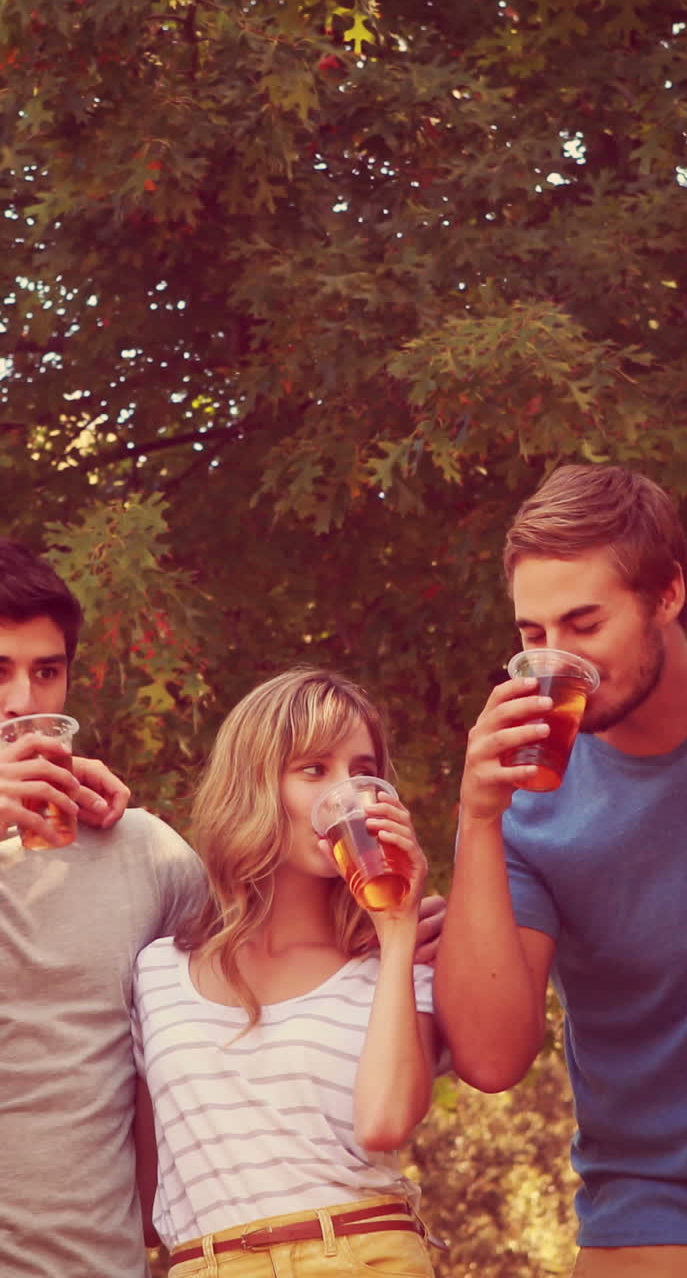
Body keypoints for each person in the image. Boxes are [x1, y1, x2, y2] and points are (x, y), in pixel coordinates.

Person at [434, 464, 687, 1278]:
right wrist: (478, 821)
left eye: (585, 624)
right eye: (533, 635)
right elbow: (491, 1061)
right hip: (648, 1211)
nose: (557, 660)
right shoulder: (523, 805)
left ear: (667, 595)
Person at [132, 666, 442, 1278]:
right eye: (314, 769)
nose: (347, 793)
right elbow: (148, 1199)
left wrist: (397, 926)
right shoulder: (157, 973)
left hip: (364, 1256)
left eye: (362, 771)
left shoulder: (396, 964)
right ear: (253, 785)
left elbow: (384, 1124)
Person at [0, 538, 207, 1278]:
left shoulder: (141, 851)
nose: (24, 703)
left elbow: (268, 955)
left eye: (46, 672)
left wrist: (394, 930)